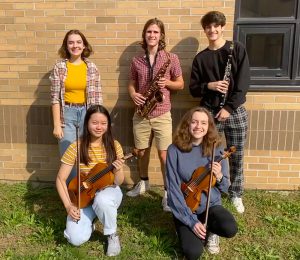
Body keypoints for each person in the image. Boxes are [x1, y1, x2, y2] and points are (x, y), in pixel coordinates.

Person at [189, 11, 250, 214]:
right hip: (209, 112)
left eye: (216, 26)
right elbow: (193, 89)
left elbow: (243, 83)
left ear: (222, 27)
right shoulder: (201, 58)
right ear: (204, 29)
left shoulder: (236, 50)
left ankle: (236, 193)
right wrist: (211, 85)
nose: (212, 30)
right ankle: (209, 187)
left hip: (234, 110)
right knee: (206, 153)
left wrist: (228, 108)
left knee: (236, 153)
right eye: (208, 27)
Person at [126, 18, 184, 212]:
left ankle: (168, 193)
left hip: (162, 113)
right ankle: (143, 182)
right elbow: (132, 83)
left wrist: (166, 83)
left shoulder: (171, 58)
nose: (152, 35)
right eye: (149, 32)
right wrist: (133, 94)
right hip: (141, 113)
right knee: (141, 151)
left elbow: (181, 84)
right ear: (145, 35)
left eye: (156, 32)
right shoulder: (136, 61)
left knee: (164, 155)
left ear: (161, 36)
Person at [166, 107, 238, 259]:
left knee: (230, 228)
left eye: (203, 123)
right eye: (194, 122)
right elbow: (173, 190)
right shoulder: (174, 150)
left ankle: (211, 230)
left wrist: (219, 176)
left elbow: (225, 188)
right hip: (186, 206)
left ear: (209, 126)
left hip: (210, 206)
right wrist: (191, 222)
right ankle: (185, 226)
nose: (199, 126)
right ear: (187, 124)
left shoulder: (216, 148)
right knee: (193, 252)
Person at [56, 105, 124, 257]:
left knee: (102, 199)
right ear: (87, 123)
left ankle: (111, 235)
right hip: (85, 195)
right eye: (94, 122)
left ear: (108, 125)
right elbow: (60, 179)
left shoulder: (114, 145)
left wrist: (118, 169)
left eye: (103, 123)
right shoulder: (76, 147)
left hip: (110, 193)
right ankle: (92, 220)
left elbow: (119, 182)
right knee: (75, 239)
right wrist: (68, 205)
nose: (99, 127)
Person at [50, 29, 103, 182]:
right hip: (66, 113)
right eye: (71, 42)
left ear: (84, 45)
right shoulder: (60, 67)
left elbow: (98, 98)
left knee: (87, 153)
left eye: (78, 42)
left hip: (87, 113)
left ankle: (87, 191)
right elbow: (54, 98)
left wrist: (98, 121)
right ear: (66, 46)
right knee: (68, 155)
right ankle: (72, 196)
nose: (75, 45)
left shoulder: (91, 68)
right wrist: (57, 124)